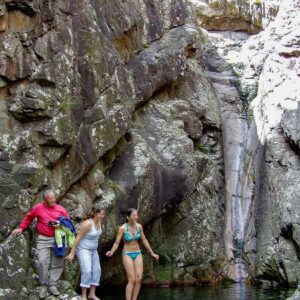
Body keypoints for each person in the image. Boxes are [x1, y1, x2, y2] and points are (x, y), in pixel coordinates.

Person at [12, 189, 69, 299]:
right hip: (44, 238)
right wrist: (21, 228)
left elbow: (68, 223)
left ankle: (52, 285)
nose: (53, 201)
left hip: (59, 237)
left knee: (58, 261)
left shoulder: (61, 209)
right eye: (50, 200)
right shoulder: (38, 208)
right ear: (45, 200)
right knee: (42, 261)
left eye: (54, 199)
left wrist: (60, 225)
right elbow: (28, 217)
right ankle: (44, 285)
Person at [106, 208, 159, 300]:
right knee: (132, 280)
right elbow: (117, 243)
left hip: (137, 253)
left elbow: (144, 240)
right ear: (128, 217)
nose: (136, 217)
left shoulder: (139, 227)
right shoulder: (123, 228)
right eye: (134, 215)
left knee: (138, 279)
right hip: (127, 253)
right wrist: (112, 251)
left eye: (136, 215)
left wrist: (152, 253)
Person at [65, 206, 105, 300]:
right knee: (87, 271)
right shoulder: (87, 223)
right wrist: (72, 253)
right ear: (95, 213)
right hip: (83, 250)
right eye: (101, 214)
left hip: (93, 250)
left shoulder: (99, 222)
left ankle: (92, 294)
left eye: (103, 214)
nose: (103, 216)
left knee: (97, 270)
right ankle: (83, 296)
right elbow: (78, 238)